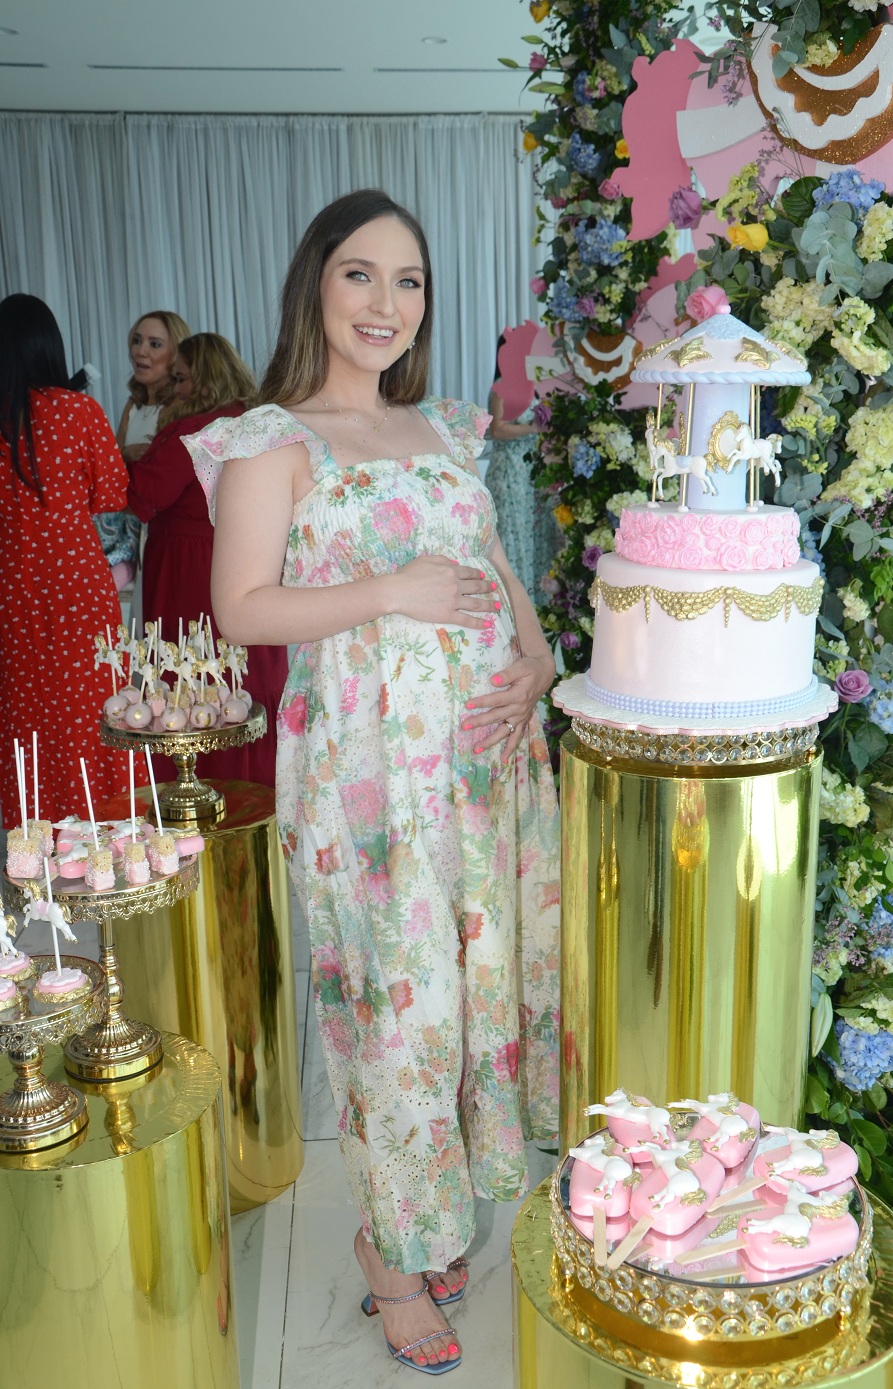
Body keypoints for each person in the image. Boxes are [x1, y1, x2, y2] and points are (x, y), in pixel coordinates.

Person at [185, 190, 560, 1375]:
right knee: (391, 1019)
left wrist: (538, 665)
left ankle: (437, 1209)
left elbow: (498, 567)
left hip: (480, 763)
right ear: (315, 286)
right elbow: (241, 608)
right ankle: (391, 1250)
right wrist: (388, 591)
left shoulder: (446, 429)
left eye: (407, 282)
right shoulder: (269, 438)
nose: (384, 304)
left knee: (468, 1002)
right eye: (359, 275)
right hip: (364, 778)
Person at [127, 332, 288, 787]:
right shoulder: (254, 422)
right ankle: (256, 789)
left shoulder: (194, 429)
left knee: (192, 678)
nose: (174, 388)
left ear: (206, 378)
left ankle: (195, 786)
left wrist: (123, 458)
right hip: (251, 560)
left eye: (181, 378)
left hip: (192, 570)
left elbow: (143, 494)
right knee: (244, 675)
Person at [0, 294, 136, 823]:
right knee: (88, 703)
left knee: (24, 710)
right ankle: (98, 828)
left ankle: (31, 836)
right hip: (76, 580)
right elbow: (110, 494)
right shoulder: (77, 410)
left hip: (12, 582)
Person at [98, 310, 191, 601]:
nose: (141, 351)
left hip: (160, 525)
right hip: (130, 520)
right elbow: (112, 465)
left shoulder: (180, 407)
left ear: (176, 352)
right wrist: (124, 453)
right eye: (137, 341)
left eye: (154, 344)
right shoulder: (132, 405)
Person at [485, 334, 559, 605]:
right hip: (510, 471)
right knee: (513, 534)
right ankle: (513, 603)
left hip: (534, 471)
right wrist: (534, 428)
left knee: (535, 535)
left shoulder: (536, 385)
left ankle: (539, 602)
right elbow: (497, 429)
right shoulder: (502, 385)